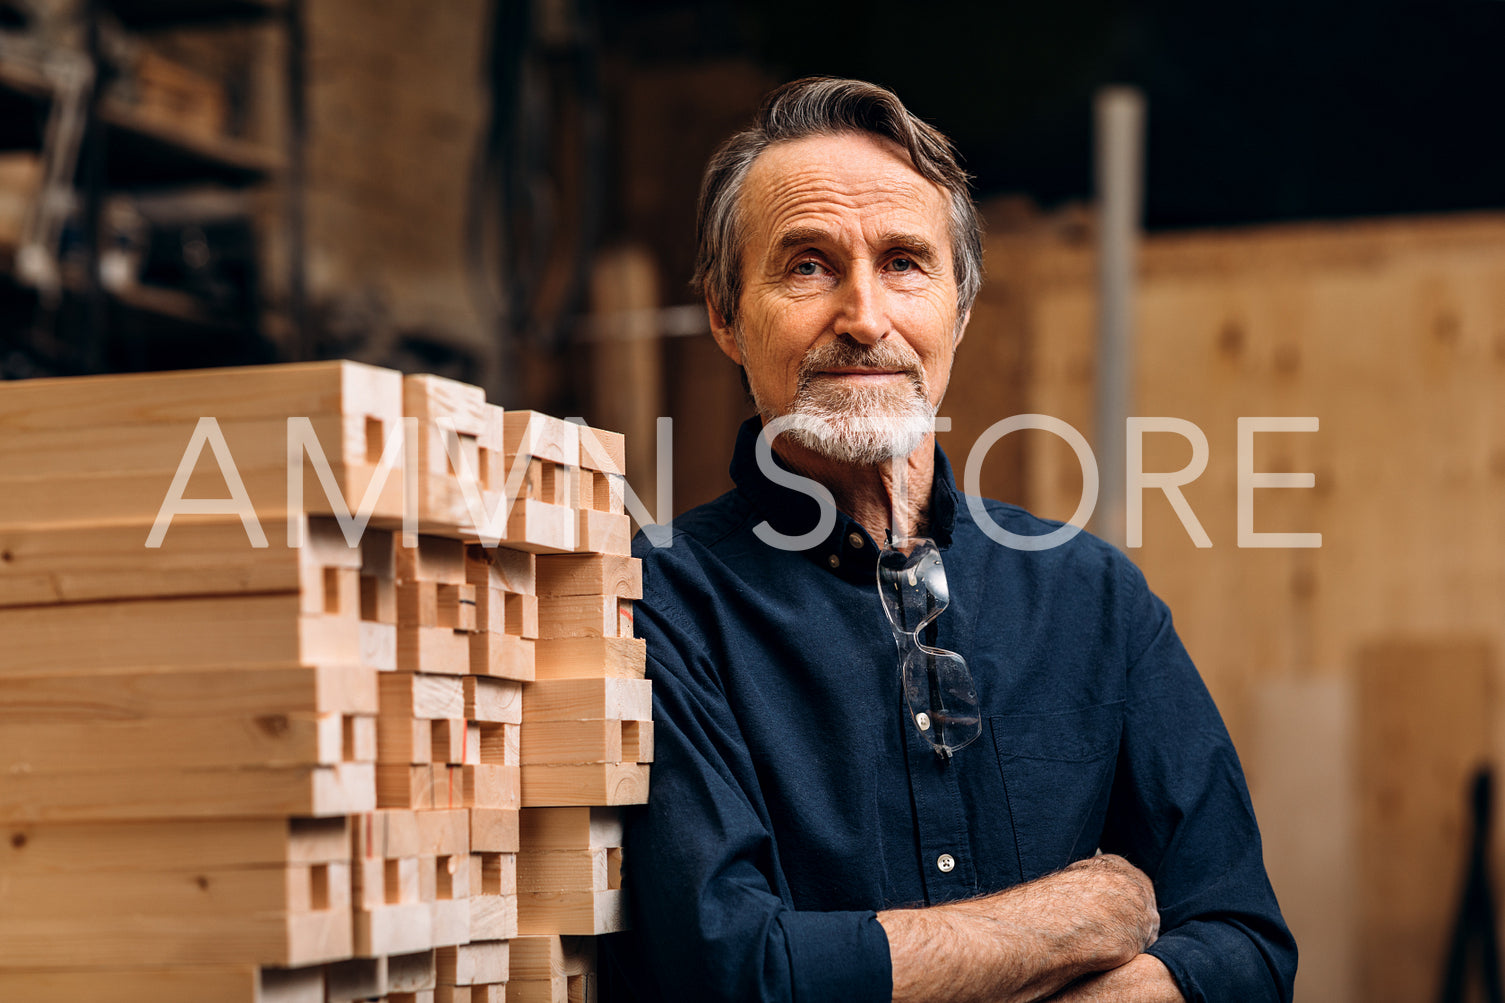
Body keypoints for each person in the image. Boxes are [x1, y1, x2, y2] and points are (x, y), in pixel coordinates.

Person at [601, 76, 1297, 1003]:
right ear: (726, 318)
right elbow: (734, 971)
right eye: (807, 265)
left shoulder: (1094, 596)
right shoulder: (654, 600)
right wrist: (1071, 919)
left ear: (959, 310)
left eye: (903, 262)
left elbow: (1246, 947)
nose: (863, 317)